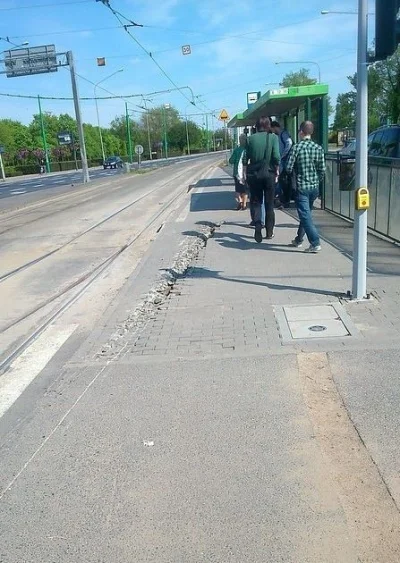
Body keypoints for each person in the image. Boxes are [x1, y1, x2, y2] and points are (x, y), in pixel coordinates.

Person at [285, 121, 326, 253]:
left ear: (301, 132)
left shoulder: (297, 148)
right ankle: (298, 239)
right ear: (311, 132)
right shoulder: (318, 148)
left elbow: (288, 167)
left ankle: (315, 243)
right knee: (306, 214)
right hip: (314, 187)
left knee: (305, 216)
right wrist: (316, 180)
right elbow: (322, 170)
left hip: (302, 186)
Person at [243, 116, 280, 243]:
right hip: (269, 174)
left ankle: (258, 224)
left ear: (257, 126)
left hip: (254, 175)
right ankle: (269, 232)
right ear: (268, 125)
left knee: (256, 202)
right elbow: (276, 157)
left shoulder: (250, 139)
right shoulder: (273, 138)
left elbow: (245, 159)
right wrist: (277, 170)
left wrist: (244, 174)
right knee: (269, 204)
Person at [271, 120, 293, 207]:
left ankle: (282, 199)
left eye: (272, 129)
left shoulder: (283, 134)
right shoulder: (280, 135)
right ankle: (280, 199)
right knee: (280, 179)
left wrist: (283, 154)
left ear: (275, 127)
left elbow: (289, 143)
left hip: (284, 160)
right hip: (282, 160)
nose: (272, 131)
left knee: (281, 179)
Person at [229, 134, 248, 210]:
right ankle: (244, 204)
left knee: (238, 189)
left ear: (240, 141)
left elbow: (231, 161)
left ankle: (240, 201)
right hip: (246, 173)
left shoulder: (236, 150)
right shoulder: (248, 149)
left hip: (237, 173)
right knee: (245, 189)